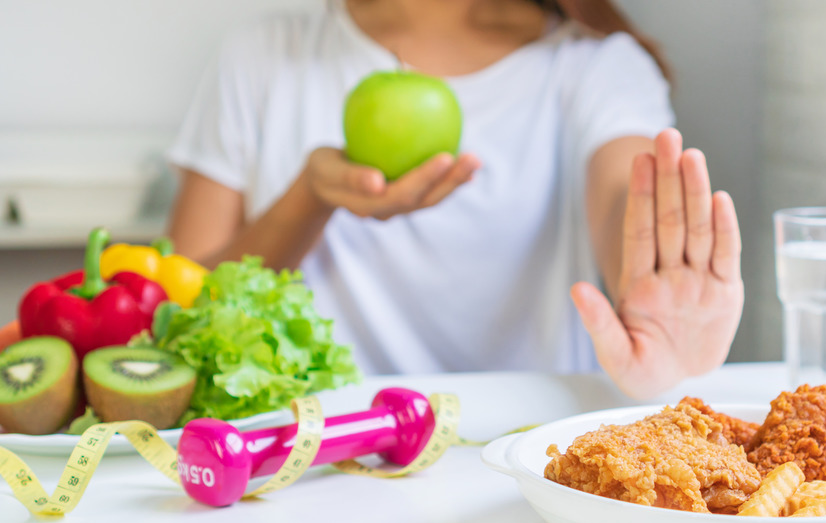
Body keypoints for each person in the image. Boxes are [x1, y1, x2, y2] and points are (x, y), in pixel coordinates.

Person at [165, 0, 744, 400]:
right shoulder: (265, 55)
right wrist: (309, 198)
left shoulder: (598, 66)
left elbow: (624, 197)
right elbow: (177, 310)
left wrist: (657, 293)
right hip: (315, 469)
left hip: (524, 466)